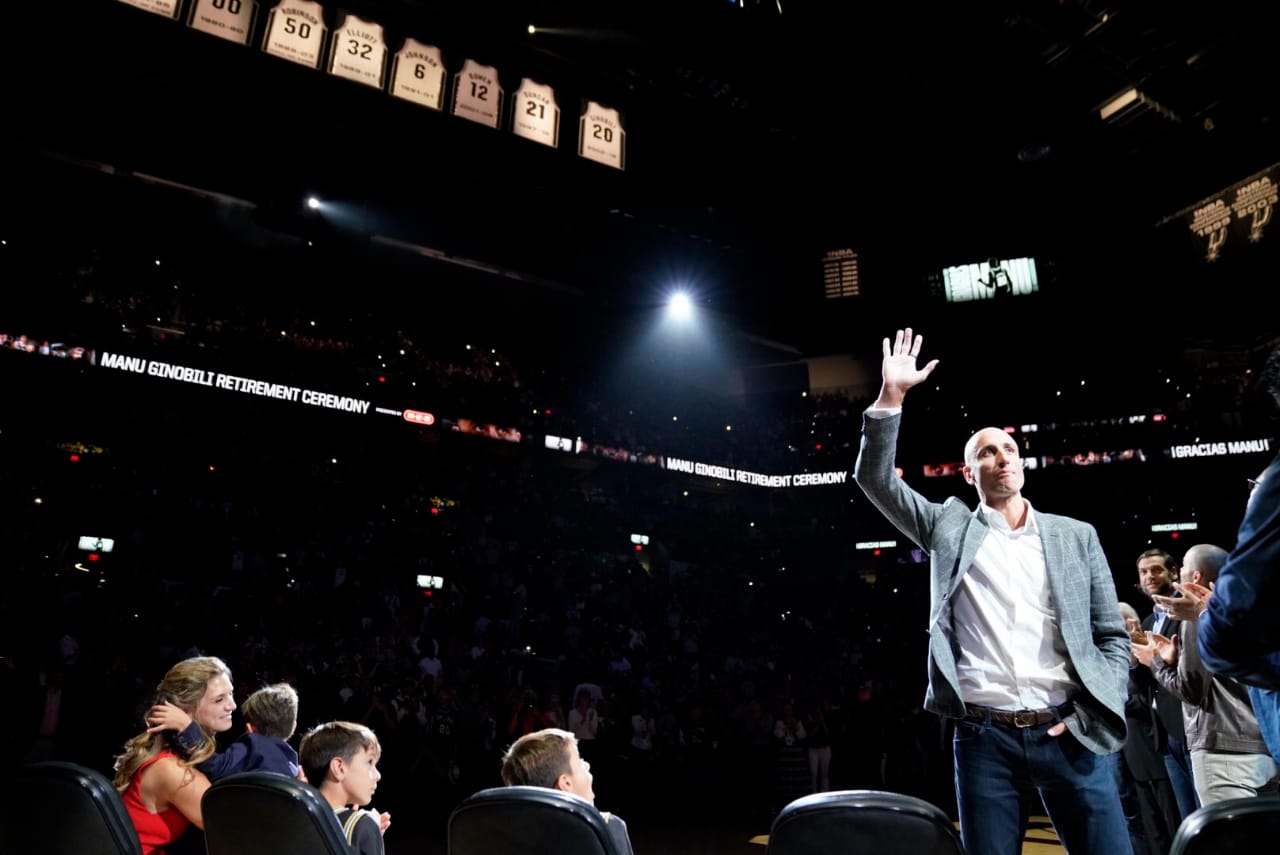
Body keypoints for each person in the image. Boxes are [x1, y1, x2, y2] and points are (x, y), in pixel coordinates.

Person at [853, 328, 1131, 855]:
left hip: (1070, 732)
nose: (1002, 457)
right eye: (987, 452)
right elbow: (877, 481)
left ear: (1021, 463)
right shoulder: (947, 528)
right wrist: (892, 398)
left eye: (1009, 448)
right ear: (968, 472)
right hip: (985, 741)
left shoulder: (1076, 536)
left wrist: (1090, 715)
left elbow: (1112, 639)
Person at [1142, 543, 1278, 804]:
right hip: (1265, 748)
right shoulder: (1249, 608)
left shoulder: (1197, 616)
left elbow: (1191, 690)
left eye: (1182, 565)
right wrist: (1175, 659)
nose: (1178, 571)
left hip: (1222, 750)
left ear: (1195, 577)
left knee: (1229, 843)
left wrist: (1155, 662)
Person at [113, 656, 236, 855]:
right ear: (185, 708)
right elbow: (232, 827)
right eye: (219, 699)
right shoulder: (170, 770)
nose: (232, 705)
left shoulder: (173, 758)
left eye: (231, 694)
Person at [499, 728, 635, 855]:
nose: (587, 765)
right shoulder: (608, 828)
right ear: (565, 783)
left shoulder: (506, 837)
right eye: (579, 761)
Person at [147, 682, 300, 779]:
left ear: (250, 729)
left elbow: (216, 767)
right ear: (293, 727)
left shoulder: (255, 744)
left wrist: (186, 727)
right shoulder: (292, 762)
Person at [299, 721, 390, 855]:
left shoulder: (296, 817)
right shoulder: (363, 826)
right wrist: (370, 836)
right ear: (339, 768)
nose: (378, 775)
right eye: (370, 762)